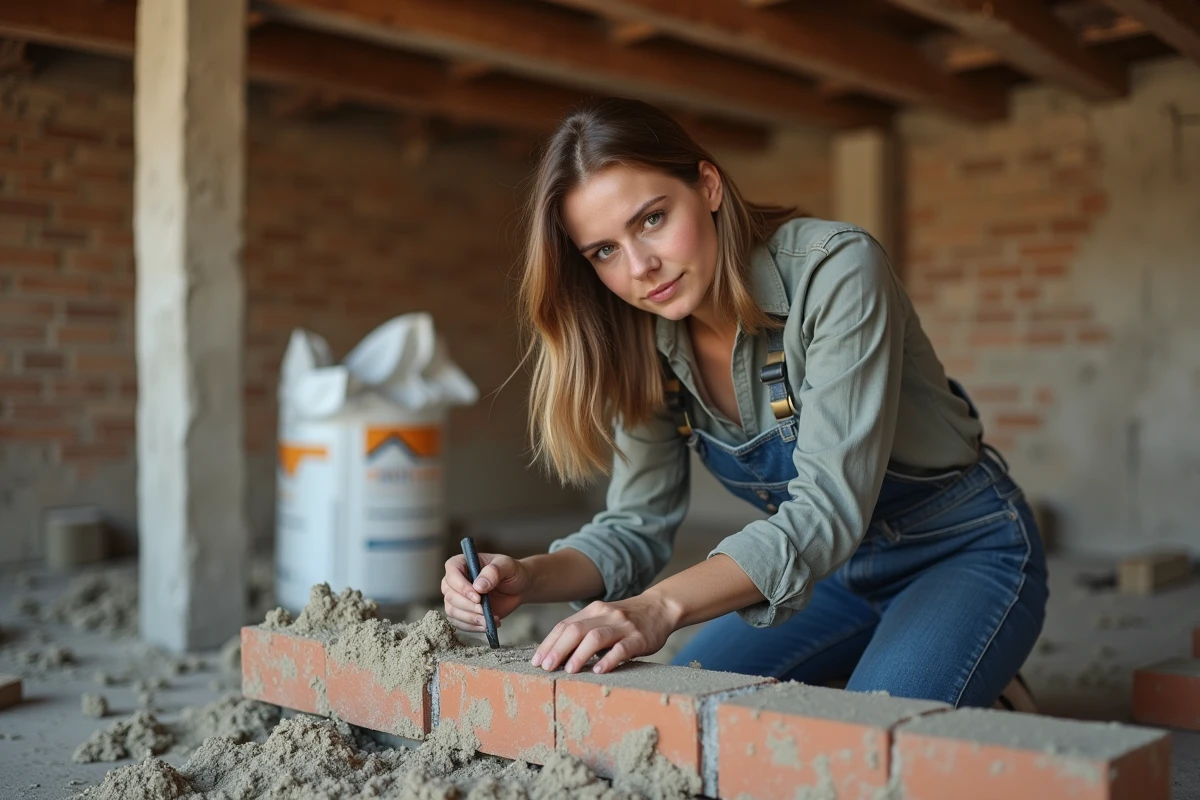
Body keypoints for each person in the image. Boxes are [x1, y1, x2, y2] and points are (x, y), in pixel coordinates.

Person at [440, 96, 1048, 709]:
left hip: (961, 549)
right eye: (604, 251)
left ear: (706, 185)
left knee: (870, 740)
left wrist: (658, 606)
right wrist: (527, 575)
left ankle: (967, 664)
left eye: (651, 219)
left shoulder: (835, 271)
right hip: (831, 578)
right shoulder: (639, 337)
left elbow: (827, 510)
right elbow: (635, 525)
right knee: (690, 708)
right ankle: (903, 659)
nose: (641, 267)